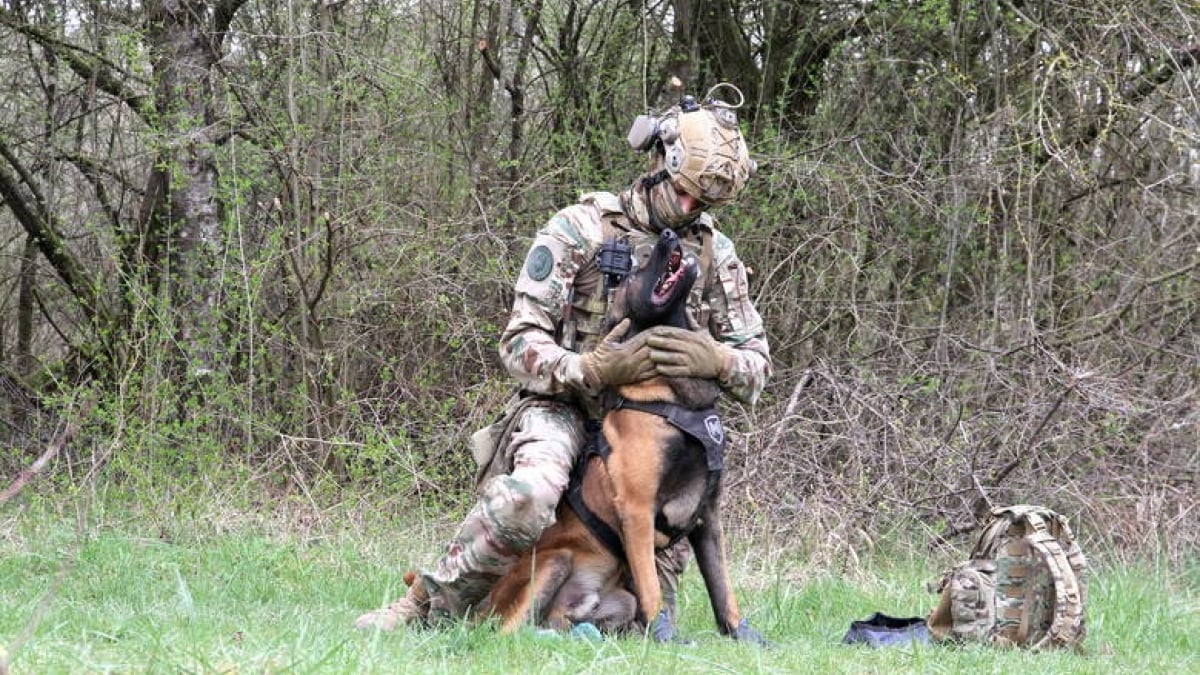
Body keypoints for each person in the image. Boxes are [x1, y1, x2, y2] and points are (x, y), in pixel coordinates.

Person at [355, 83, 771, 640]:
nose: (692, 209)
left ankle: (556, 618)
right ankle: (426, 602)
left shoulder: (712, 252)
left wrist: (717, 357)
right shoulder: (581, 228)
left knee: (644, 620)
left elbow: (757, 366)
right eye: (684, 193)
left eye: (707, 202)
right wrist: (589, 369)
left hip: (654, 429)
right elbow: (518, 343)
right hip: (566, 407)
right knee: (530, 497)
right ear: (657, 163)